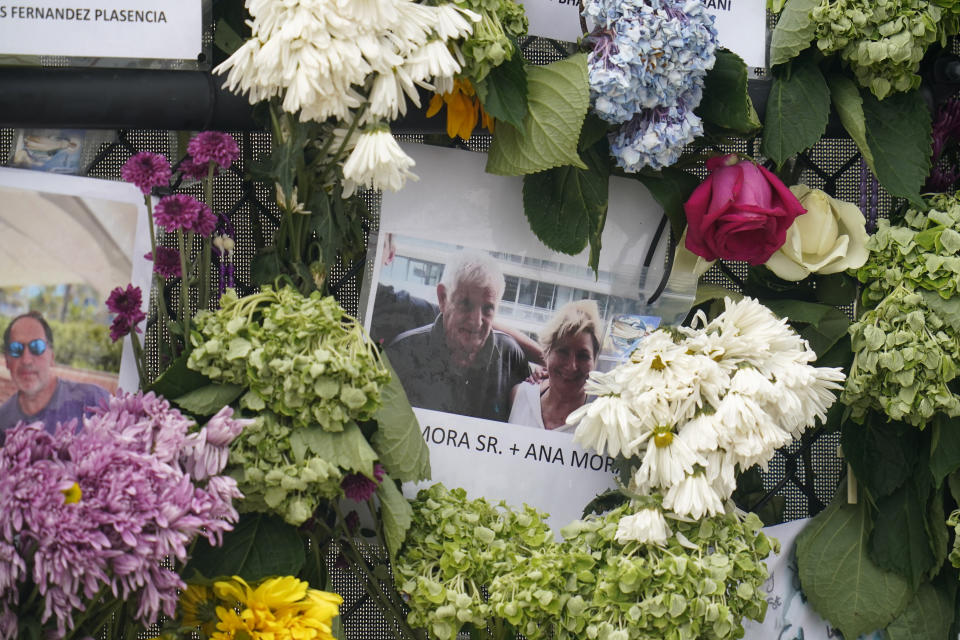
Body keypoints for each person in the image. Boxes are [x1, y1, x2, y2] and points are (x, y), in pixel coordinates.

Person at [387, 251, 528, 421]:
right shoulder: (400, 354)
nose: (476, 322)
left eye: (487, 309)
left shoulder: (511, 357)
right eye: (465, 304)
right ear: (442, 298)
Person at [0, 311, 109, 439]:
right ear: (7, 361)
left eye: (37, 347)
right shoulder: (3, 421)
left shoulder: (94, 400)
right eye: (16, 349)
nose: (26, 360)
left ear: (52, 356)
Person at [508, 300, 601, 432]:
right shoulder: (520, 396)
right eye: (563, 352)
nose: (572, 366)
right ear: (547, 353)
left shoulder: (603, 417)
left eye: (583, 356)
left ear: (595, 361)